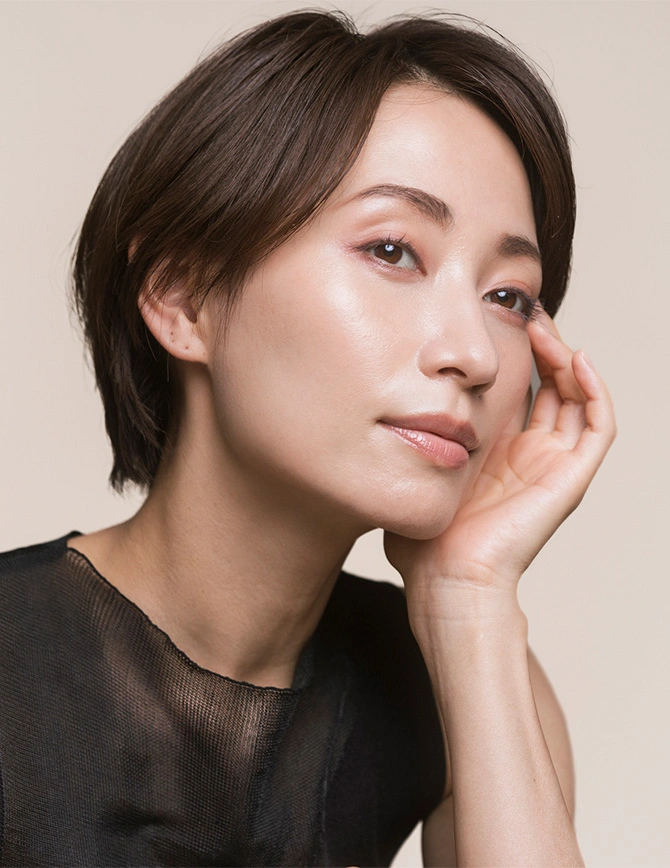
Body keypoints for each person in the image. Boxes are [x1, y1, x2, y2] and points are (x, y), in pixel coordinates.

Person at [0, 9, 615, 867]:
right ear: (182, 296)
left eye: (509, 297)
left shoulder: (471, 687)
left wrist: (468, 598)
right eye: (394, 250)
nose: (473, 354)